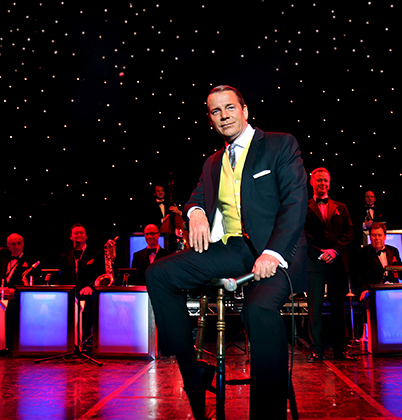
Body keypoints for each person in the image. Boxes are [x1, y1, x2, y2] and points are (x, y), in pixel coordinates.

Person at [146, 85, 307, 420]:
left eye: (229, 108)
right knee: (158, 274)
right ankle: (193, 372)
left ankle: (267, 414)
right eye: (216, 112)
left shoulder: (279, 144)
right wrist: (196, 213)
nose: (224, 116)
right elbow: (195, 198)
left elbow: (294, 203)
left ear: (245, 110)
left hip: (279, 253)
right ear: (210, 119)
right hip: (234, 249)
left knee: (258, 309)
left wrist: (273, 253)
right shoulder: (213, 162)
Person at [305, 167, 354, 362]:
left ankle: (340, 349)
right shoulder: (305, 206)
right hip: (315, 263)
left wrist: (335, 251)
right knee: (314, 308)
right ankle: (316, 349)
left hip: (337, 263)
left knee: (338, 308)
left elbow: (349, 232)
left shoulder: (341, 207)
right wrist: (319, 253)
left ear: (329, 182)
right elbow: (302, 233)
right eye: (319, 181)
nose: (322, 184)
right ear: (312, 182)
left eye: (325, 180)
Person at [58, 224, 106, 343]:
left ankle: (86, 343)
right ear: (71, 237)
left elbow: (101, 274)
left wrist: (90, 286)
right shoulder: (64, 256)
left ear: (86, 236)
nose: (79, 235)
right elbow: (62, 277)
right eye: (76, 233)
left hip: (90, 295)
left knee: (87, 321)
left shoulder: (96, 254)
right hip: (71, 295)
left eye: (81, 233)